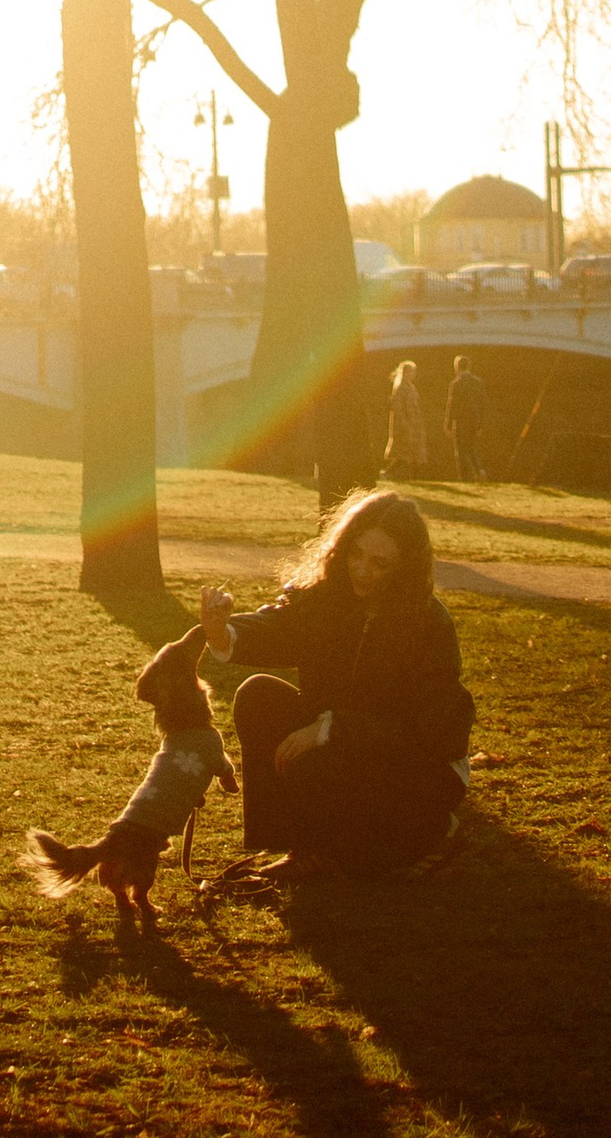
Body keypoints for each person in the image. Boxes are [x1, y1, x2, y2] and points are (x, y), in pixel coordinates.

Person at [200, 489, 471, 873]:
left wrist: (332, 729)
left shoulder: (429, 624)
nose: (361, 569)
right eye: (355, 554)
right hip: (341, 742)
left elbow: (430, 731)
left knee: (368, 864)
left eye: (380, 563)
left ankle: (432, 830)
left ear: (405, 566)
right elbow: (279, 625)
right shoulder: (327, 599)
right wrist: (223, 631)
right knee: (258, 696)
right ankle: (298, 845)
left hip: (417, 768)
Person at [443, 353, 488, 482]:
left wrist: (448, 424)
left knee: (461, 451)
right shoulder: (477, 382)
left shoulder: (456, 384)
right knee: (472, 447)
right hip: (474, 421)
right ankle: (479, 470)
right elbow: (483, 404)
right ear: (469, 366)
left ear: (457, 367)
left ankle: (464, 477)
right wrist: (481, 424)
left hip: (460, 421)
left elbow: (452, 405)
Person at [382, 359, 428, 478]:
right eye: (411, 372)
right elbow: (398, 408)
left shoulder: (411, 387)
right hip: (404, 425)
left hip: (414, 423)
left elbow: (416, 406)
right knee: (404, 454)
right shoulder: (400, 388)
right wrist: (404, 424)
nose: (413, 374)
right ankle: (388, 473)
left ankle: (414, 477)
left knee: (413, 453)